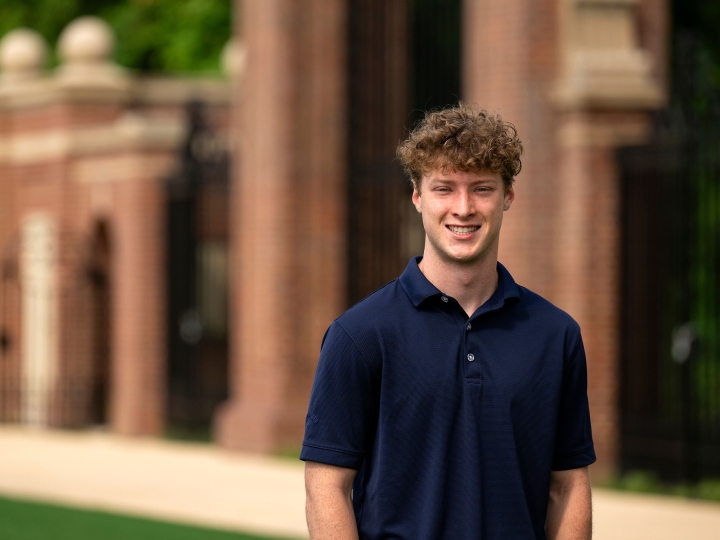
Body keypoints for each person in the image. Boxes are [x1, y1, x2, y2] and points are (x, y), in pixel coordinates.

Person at [300, 103, 595, 539]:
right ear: (417, 196)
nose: (463, 208)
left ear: (508, 196)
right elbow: (326, 486)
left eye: (481, 189)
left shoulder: (555, 336)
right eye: (444, 189)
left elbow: (568, 486)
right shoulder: (359, 335)